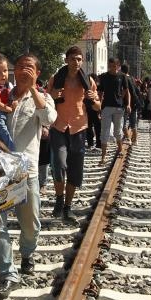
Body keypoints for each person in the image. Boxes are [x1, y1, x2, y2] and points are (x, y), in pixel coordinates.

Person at [0, 54, 55, 298]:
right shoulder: (0, 95)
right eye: (21, 66)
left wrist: (34, 89)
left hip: (27, 172)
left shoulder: (43, 98)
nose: (24, 70)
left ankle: (27, 253)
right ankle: (7, 273)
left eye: (30, 67)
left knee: (31, 225)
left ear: (37, 73)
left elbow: (49, 119)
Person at [48, 46, 101, 222]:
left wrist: (93, 99)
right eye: (72, 59)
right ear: (66, 60)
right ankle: (58, 198)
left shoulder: (88, 81)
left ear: (82, 61)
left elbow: (97, 107)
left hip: (79, 127)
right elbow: (45, 102)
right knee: (59, 164)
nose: (76, 62)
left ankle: (68, 206)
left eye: (79, 59)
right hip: (59, 126)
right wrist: (53, 95)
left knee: (75, 169)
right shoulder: (55, 79)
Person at [97, 57, 130, 166]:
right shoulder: (104, 77)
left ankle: (120, 149)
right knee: (104, 132)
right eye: (110, 66)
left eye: (114, 66)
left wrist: (126, 102)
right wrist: (99, 106)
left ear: (118, 66)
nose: (111, 68)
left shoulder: (122, 76)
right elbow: (100, 92)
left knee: (117, 131)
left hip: (119, 107)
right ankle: (103, 157)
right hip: (106, 107)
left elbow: (126, 90)